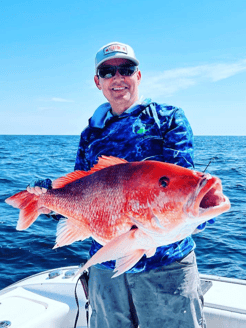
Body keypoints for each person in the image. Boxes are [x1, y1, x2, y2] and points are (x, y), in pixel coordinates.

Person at [28, 42, 208, 328]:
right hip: (105, 265)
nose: (117, 77)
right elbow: (82, 192)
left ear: (138, 75)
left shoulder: (168, 119)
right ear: (97, 81)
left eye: (126, 69)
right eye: (107, 71)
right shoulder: (91, 134)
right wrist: (49, 200)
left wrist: (196, 212)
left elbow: (182, 186)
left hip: (165, 265)